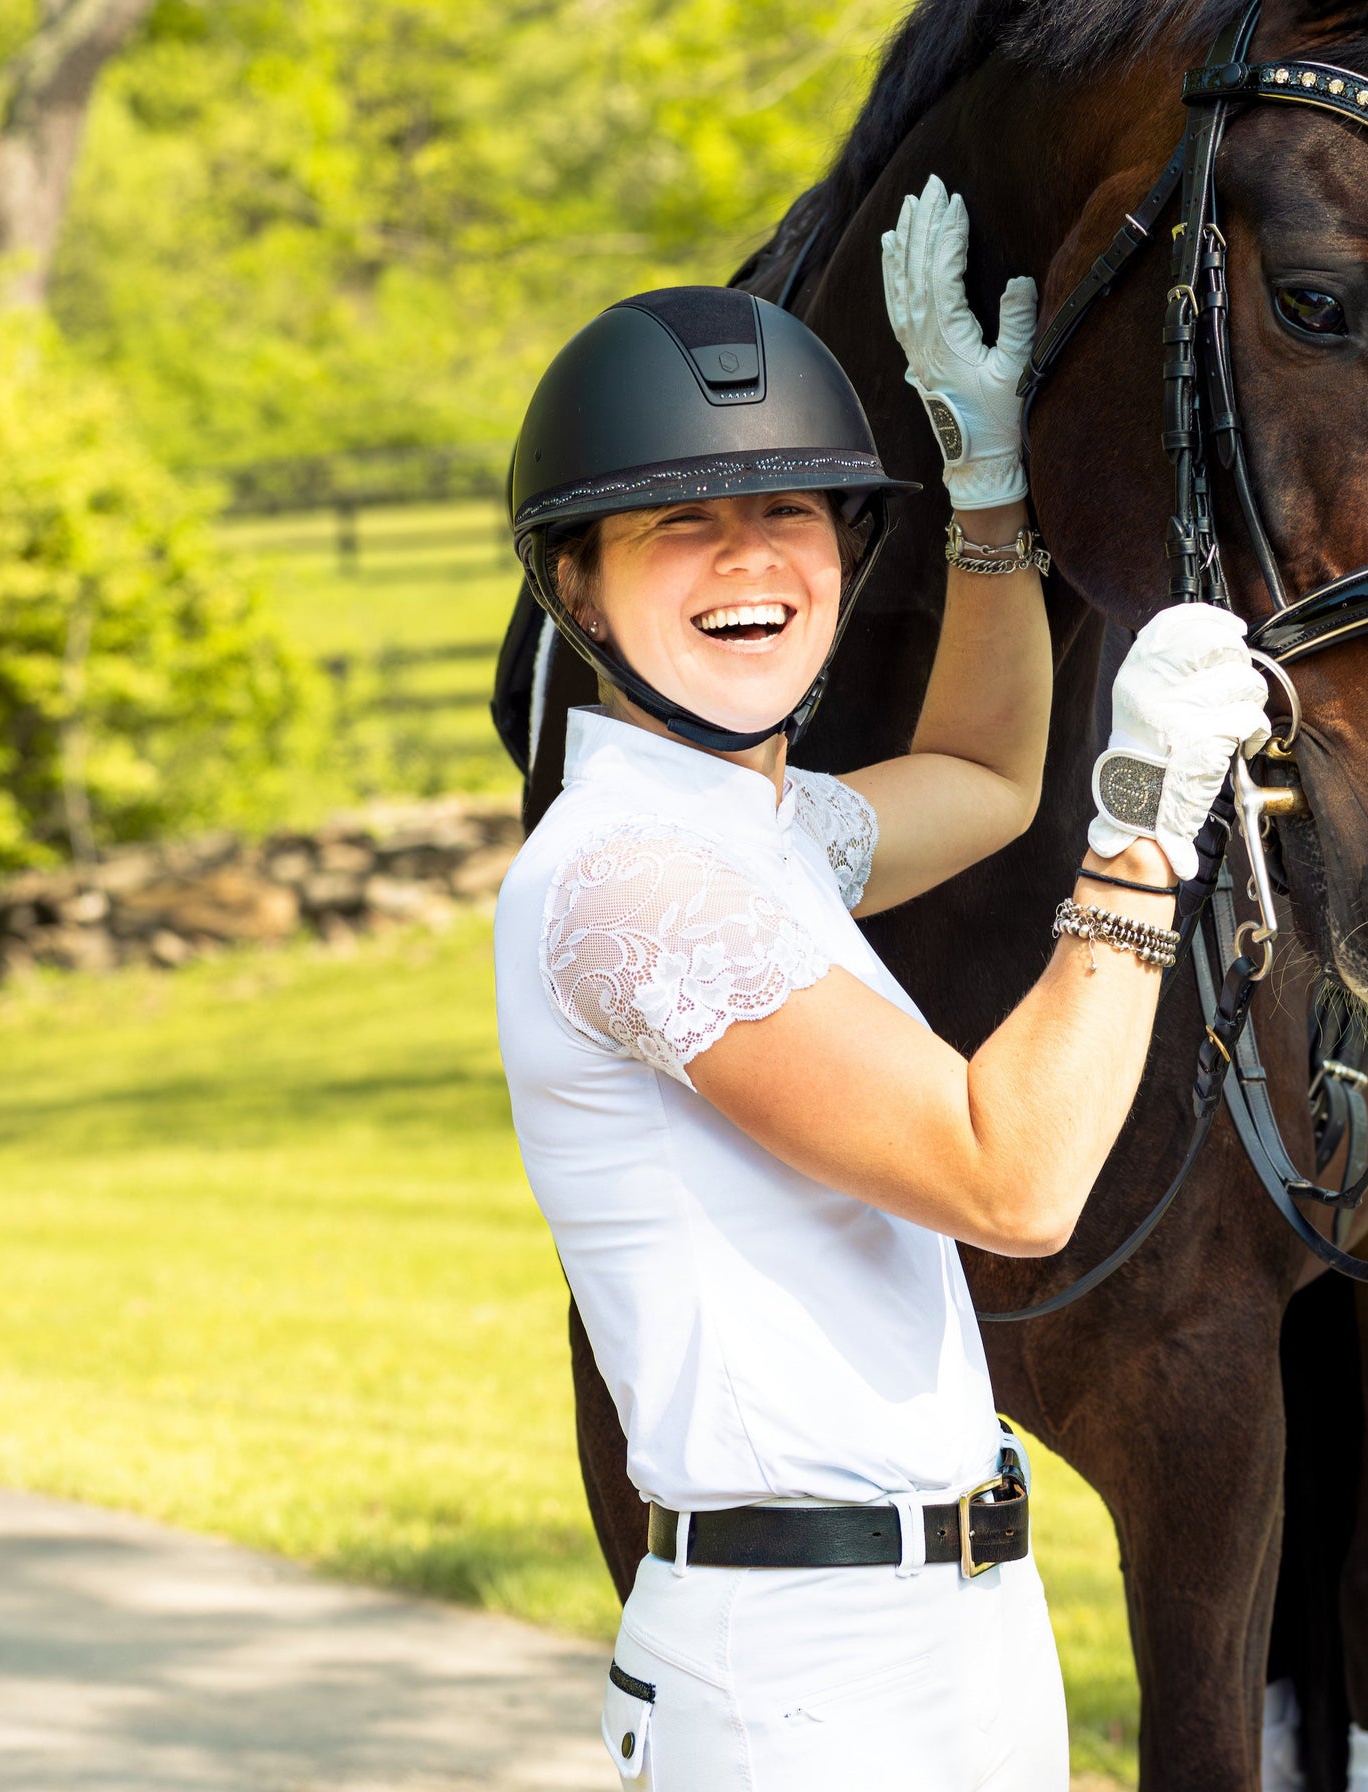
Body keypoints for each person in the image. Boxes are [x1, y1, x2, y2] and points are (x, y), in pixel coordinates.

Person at [493, 177, 1269, 1792]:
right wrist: (1140, 835)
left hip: (941, 1625)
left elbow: (983, 772)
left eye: (791, 515)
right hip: (803, 1681)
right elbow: (1013, 1173)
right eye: (679, 525)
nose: (749, 562)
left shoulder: (754, 834)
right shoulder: (636, 888)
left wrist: (985, 493)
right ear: (576, 585)